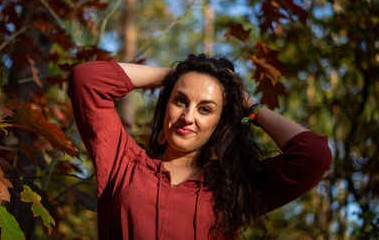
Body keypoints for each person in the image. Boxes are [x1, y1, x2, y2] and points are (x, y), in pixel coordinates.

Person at [68, 53, 332, 240]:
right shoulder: (124, 165)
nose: (188, 116)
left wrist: (249, 105)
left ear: (221, 123)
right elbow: (86, 80)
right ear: (166, 106)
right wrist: (178, 75)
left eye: (205, 109)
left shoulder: (232, 190)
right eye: (180, 101)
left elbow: (313, 156)